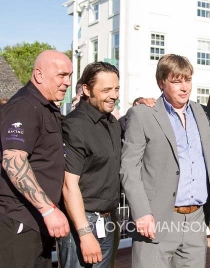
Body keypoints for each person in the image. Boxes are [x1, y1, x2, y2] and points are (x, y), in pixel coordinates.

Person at [120, 54, 210, 267]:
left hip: (196, 221)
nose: (184, 87)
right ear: (161, 83)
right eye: (176, 81)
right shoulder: (142, 115)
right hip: (155, 219)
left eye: (188, 80)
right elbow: (129, 169)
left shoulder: (206, 114)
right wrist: (141, 213)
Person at [0, 50, 71, 267]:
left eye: (69, 76)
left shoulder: (46, 107)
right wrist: (48, 210)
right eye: (61, 75)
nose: (67, 82)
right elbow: (13, 161)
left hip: (37, 223)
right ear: (39, 75)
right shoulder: (24, 105)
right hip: (20, 222)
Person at [57, 62, 122, 267]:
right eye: (106, 90)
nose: (114, 95)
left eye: (117, 88)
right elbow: (69, 186)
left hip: (108, 220)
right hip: (82, 224)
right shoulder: (74, 125)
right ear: (86, 89)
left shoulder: (112, 123)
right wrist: (85, 234)